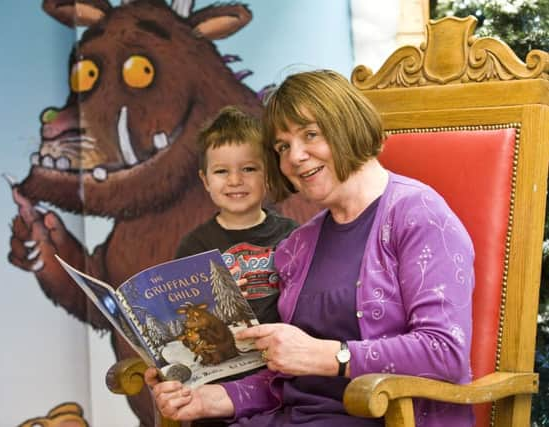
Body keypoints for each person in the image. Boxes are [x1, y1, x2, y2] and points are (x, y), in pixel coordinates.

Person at [145, 70, 475, 427]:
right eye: (283, 147)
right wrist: (212, 398)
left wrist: (332, 356)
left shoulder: (419, 215)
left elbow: (445, 352)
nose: (295, 157)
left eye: (310, 135)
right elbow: (289, 377)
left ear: (347, 126)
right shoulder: (298, 244)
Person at [176, 105, 298, 325]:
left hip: (283, 351)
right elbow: (187, 316)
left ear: (268, 174)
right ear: (205, 181)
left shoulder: (293, 235)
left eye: (249, 169)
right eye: (222, 171)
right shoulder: (194, 248)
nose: (235, 181)